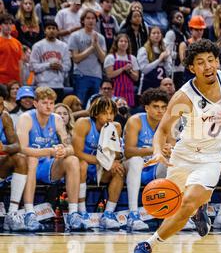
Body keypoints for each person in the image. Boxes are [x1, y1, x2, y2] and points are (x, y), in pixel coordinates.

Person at [132, 39, 221, 253]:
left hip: (211, 158)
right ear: (192, 68)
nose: (208, 66)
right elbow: (163, 130)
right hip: (183, 155)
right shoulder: (184, 96)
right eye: (201, 63)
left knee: (187, 202)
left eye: (211, 60)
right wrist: (157, 151)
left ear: (217, 61)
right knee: (171, 207)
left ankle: (147, 245)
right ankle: (198, 210)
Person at [16, 87, 84, 232]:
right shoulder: (26, 119)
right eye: (44, 103)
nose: (48, 106)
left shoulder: (57, 120)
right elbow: (21, 148)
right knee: (32, 159)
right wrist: (47, 151)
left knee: (72, 160)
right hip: (27, 166)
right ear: (35, 104)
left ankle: (73, 213)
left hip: (48, 166)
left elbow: (71, 148)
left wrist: (63, 151)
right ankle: (29, 213)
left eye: (51, 103)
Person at [72, 96, 125, 229]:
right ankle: (82, 212)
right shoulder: (83, 123)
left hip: (100, 169)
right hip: (83, 166)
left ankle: (108, 214)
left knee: (119, 170)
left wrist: (116, 158)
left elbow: (117, 155)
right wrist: (106, 162)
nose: (109, 117)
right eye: (105, 113)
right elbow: (77, 153)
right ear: (96, 113)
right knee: (81, 164)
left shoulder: (116, 126)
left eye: (111, 113)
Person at [124, 89, 171, 231]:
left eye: (163, 107)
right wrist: (156, 149)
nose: (160, 111)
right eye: (156, 107)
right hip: (133, 167)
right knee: (136, 160)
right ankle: (133, 214)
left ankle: (171, 213)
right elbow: (128, 151)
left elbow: (171, 147)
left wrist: (170, 150)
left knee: (173, 162)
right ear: (146, 108)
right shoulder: (135, 121)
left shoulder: (167, 123)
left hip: (154, 168)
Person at [0, 84, 28, 231]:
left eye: (1, 104)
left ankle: (12, 213)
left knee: (20, 158)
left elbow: (16, 145)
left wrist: (3, 148)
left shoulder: (4, 117)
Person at [69, 8, 107, 107]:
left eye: (93, 18)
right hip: (81, 75)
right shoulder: (75, 36)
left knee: (94, 106)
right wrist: (91, 48)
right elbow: (76, 58)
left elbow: (103, 59)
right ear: (83, 20)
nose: (91, 20)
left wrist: (96, 45)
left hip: (96, 76)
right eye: (88, 18)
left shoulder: (101, 38)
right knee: (78, 104)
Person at [30, 20, 71, 103]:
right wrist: (49, 65)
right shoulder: (38, 46)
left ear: (57, 31)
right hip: (42, 85)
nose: (51, 30)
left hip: (59, 85)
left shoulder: (64, 46)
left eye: (54, 28)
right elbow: (32, 66)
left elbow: (68, 66)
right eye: (49, 28)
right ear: (45, 31)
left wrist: (60, 66)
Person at [104, 34, 139, 108]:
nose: (123, 43)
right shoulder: (111, 57)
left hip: (128, 89)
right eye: (121, 41)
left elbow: (136, 78)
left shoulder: (132, 58)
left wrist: (130, 71)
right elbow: (109, 75)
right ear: (116, 43)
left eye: (126, 41)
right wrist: (123, 69)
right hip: (115, 88)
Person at [137, 26, 172, 95]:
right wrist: (159, 60)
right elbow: (144, 69)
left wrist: (166, 61)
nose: (156, 35)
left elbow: (169, 72)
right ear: (149, 35)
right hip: (147, 85)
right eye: (154, 33)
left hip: (162, 86)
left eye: (158, 33)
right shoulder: (143, 50)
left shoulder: (165, 50)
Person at [0, 14, 23, 86]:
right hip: (1, 81)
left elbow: (20, 64)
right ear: (0, 26)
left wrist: (21, 82)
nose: (8, 26)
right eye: (6, 23)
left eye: (10, 24)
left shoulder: (17, 43)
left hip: (15, 82)